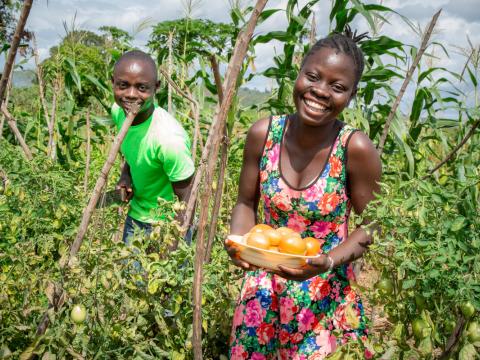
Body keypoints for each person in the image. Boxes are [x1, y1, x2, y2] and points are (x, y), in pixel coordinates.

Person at [225, 29, 381, 359]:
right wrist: (240, 244)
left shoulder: (355, 148)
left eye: (337, 87)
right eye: (313, 77)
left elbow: (374, 224)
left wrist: (328, 261)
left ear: (350, 97)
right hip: (263, 294)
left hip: (325, 296)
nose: (320, 91)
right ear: (299, 72)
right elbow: (244, 203)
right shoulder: (263, 134)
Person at [111, 50, 195, 244]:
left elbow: (187, 200)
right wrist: (126, 176)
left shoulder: (169, 139)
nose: (131, 95)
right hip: (135, 218)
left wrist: (173, 243)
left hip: (167, 225)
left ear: (156, 87)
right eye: (123, 85)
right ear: (113, 82)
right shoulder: (119, 112)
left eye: (142, 88)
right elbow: (134, 149)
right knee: (129, 275)